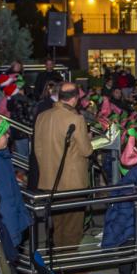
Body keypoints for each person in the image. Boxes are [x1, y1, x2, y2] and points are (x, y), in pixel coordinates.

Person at [33, 82, 94, 248]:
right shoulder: (75, 119)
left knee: (57, 224)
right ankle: (69, 265)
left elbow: (37, 149)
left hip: (49, 181)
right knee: (72, 227)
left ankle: (57, 261)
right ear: (74, 99)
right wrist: (88, 137)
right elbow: (86, 151)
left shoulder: (42, 116)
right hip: (72, 182)